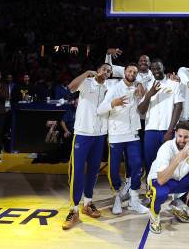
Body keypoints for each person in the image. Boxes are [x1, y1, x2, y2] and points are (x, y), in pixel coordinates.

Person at [62, 64, 116, 230]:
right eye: (104, 69)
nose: (106, 72)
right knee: (77, 170)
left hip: (99, 135)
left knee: (93, 171)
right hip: (83, 133)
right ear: (97, 70)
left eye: (109, 71)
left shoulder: (110, 87)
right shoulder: (87, 82)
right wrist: (86, 72)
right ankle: (73, 210)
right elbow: (70, 87)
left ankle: (88, 203)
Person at [146, 121, 189, 234]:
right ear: (175, 134)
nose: (182, 140)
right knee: (160, 193)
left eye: (186, 137)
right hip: (160, 180)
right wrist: (179, 158)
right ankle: (154, 215)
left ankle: (179, 206)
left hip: (178, 180)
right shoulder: (166, 148)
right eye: (180, 136)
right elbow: (161, 179)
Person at [97, 64, 148, 215]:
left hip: (132, 133)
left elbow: (143, 104)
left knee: (137, 165)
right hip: (116, 135)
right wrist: (113, 103)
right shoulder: (114, 88)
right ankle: (117, 198)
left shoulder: (138, 89)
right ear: (124, 72)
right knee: (113, 169)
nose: (132, 73)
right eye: (129, 71)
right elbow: (100, 110)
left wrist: (140, 85)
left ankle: (133, 200)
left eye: (134, 72)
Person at [138, 59, 184, 170]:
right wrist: (149, 94)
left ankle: (170, 187)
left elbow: (178, 107)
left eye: (158, 68)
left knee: (170, 162)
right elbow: (141, 110)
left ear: (163, 68)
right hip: (150, 131)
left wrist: (170, 131)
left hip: (168, 130)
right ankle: (151, 186)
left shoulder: (174, 85)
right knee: (150, 162)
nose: (156, 71)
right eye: (153, 69)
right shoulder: (149, 86)